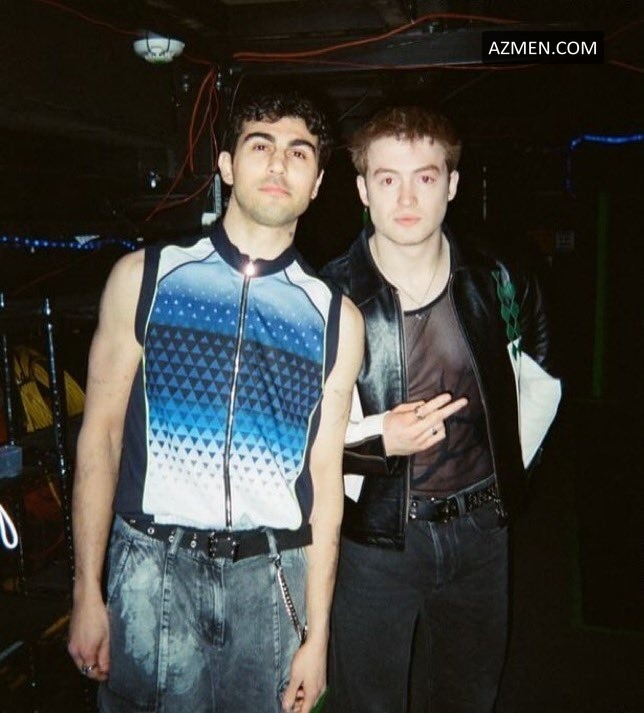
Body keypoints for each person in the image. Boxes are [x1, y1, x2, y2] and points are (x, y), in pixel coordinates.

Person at [67, 90, 364, 713]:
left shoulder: (337, 318)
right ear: (226, 165)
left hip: (271, 579)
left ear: (317, 184)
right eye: (260, 145)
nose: (279, 163)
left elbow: (325, 478)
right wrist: (86, 589)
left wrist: (319, 634)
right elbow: (100, 437)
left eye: (299, 152)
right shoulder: (145, 278)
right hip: (150, 571)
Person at [321, 105, 556, 713]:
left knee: (469, 697)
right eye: (387, 178)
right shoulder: (324, 298)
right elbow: (296, 438)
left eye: (424, 177)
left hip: (482, 535)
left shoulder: (499, 278)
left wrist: (509, 479)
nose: (406, 198)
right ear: (362, 189)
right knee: (366, 702)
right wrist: (378, 442)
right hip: (374, 542)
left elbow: (541, 381)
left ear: (451, 184)